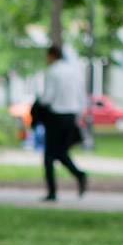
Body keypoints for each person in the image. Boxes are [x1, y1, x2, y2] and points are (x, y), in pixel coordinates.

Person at [37, 45, 87, 201]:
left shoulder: (52, 72)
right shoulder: (73, 71)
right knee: (61, 152)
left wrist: (39, 102)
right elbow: (81, 95)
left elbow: (48, 97)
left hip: (56, 116)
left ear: (52, 56)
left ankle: (52, 191)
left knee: (49, 156)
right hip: (71, 116)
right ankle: (79, 175)